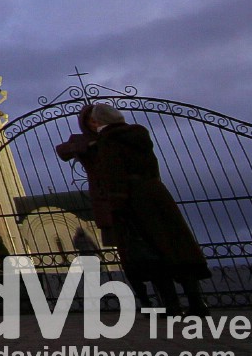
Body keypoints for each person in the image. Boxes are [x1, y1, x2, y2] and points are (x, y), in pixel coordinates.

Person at [57, 103, 211, 313]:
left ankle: (172, 305)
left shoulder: (109, 142)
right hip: (157, 196)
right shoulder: (137, 135)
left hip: (131, 202)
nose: (94, 124)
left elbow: (115, 173)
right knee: (176, 248)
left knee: (151, 253)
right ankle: (193, 303)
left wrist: (118, 204)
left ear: (101, 121)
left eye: (95, 120)